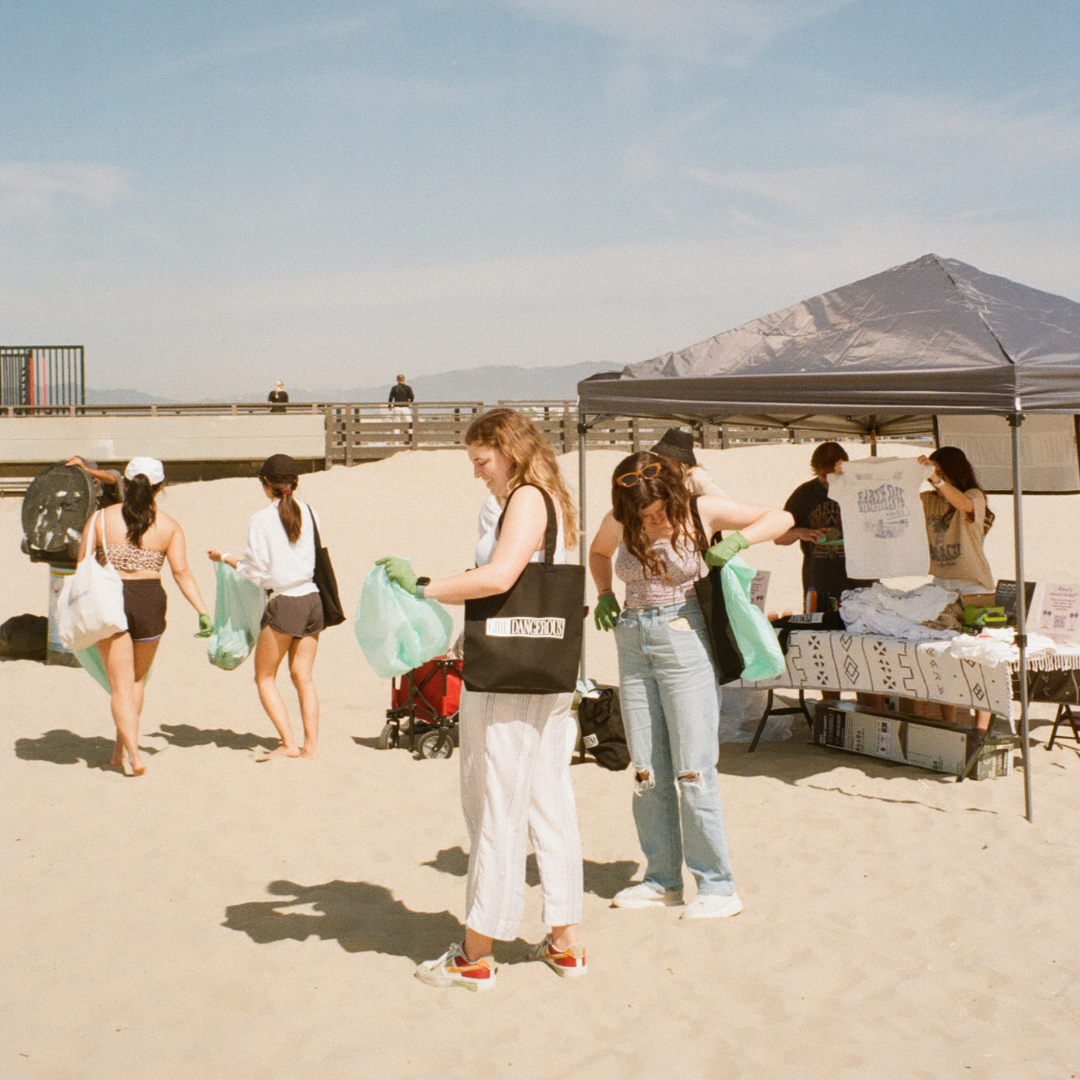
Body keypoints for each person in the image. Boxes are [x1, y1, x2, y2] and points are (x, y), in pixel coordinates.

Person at [377, 408, 585, 992]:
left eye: (482, 460)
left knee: (495, 804)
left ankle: (476, 952)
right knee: (548, 799)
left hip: (508, 676)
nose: (478, 473)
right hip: (545, 668)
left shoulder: (525, 497)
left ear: (508, 450)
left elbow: (500, 577)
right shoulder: (554, 498)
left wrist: (424, 586)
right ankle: (565, 940)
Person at [589, 453, 793, 918]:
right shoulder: (618, 520)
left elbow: (781, 516)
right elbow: (598, 553)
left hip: (684, 636)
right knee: (646, 768)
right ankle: (661, 879)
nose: (654, 520)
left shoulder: (701, 510)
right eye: (644, 516)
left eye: (660, 511)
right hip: (633, 639)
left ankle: (718, 886)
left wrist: (737, 541)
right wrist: (603, 593)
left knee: (693, 769)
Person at [74, 457, 212, 776]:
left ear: (124, 482)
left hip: (111, 599)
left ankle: (133, 755)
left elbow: (82, 563)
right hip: (150, 601)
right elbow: (182, 572)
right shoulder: (169, 525)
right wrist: (202, 611)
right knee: (137, 681)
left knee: (120, 686)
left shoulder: (100, 518)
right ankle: (118, 750)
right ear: (160, 488)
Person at [208, 454, 324, 761]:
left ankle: (288, 743)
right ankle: (310, 746)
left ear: (266, 484)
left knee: (264, 677)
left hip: (285, 601)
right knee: (303, 676)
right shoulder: (310, 512)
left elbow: (255, 572)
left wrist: (225, 557)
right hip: (313, 599)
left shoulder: (261, 519)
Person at [917, 446, 995, 731]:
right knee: (943, 659)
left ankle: (981, 729)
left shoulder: (975, 496)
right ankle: (948, 724)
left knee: (984, 659)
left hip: (978, 590)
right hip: (942, 588)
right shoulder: (929, 500)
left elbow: (962, 503)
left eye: (939, 472)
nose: (934, 478)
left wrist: (938, 480)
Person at [774, 442, 873, 613]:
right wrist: (801, 532)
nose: (828, 481)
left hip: (862, 582)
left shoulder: (863, 487)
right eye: (823, 476)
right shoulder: (804, 494)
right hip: (819, 585)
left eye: (834, 475)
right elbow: (778, 537)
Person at [649, 428, 728, 497]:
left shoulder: (696, 476)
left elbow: (724, 501)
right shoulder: (674, 478)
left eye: (662, 455)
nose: (659, 459)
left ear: (673, 459)